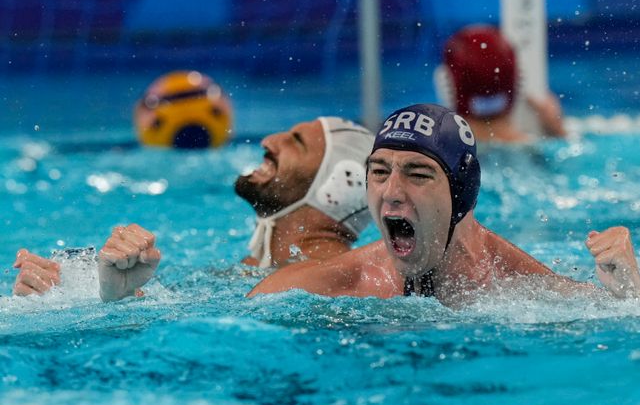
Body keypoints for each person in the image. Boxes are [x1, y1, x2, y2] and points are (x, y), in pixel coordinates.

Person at [71, 104, 640, 306]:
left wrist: (628, 293)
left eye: (418, 173)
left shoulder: (515, 280)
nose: (392, 192)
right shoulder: (331, 282)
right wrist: (114, 301)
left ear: (461, 198)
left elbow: (629, 330)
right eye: (378, 172)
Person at [12, 117, 375, 299]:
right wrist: (64, 292)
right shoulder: (244, 273)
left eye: (295, 142)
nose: (268, 140)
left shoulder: (327, 281)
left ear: (338, 186)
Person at [434, 25, 566, 143]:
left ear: (446, 83)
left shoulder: (437, 155)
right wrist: (560, 134)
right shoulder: (541, 147)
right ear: (517, 81)